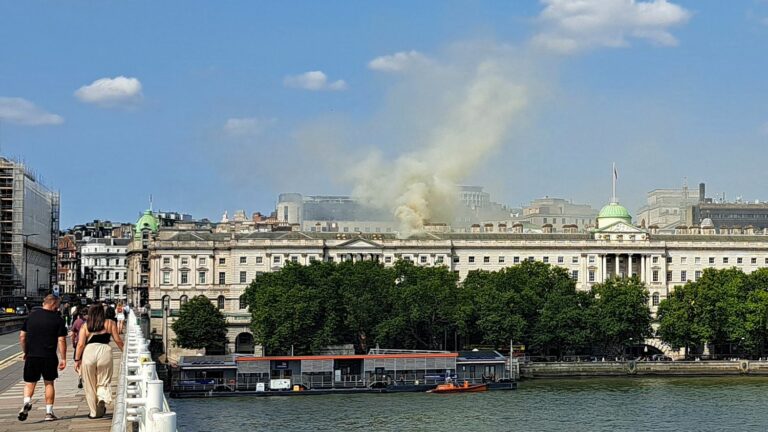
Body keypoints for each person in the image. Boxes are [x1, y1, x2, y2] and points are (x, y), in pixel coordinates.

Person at [18, 295, 67, 422]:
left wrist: (26, 351)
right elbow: (61, 340)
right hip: (49, 357)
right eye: (57, 305)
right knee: (49, 383)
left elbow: (22, 336)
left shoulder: (31, 316)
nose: (58, 308)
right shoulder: (58, 319)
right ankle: (49, 413)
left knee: (29, 383)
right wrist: (63, 358)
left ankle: (27, 402)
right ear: (53, 303)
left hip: (32, 355)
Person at [74, 304, 124, 419]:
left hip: (89, 353)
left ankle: (93, 412)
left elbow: (80, 344)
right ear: (102, 313)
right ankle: (102, 399)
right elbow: (118, 341)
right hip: (105, 352)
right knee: (104, 380)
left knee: (90, 384)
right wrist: (125, 351)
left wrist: (77, 360)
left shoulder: (85, 326)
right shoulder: (110, 323)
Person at [71, 307, 88, 389]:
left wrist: (73, 342)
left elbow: (73, 334)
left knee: (78, 361)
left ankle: (80, 374)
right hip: (88, 343)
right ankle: (84, 375)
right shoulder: (89, 321)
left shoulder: (77, 322)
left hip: (78, 342)